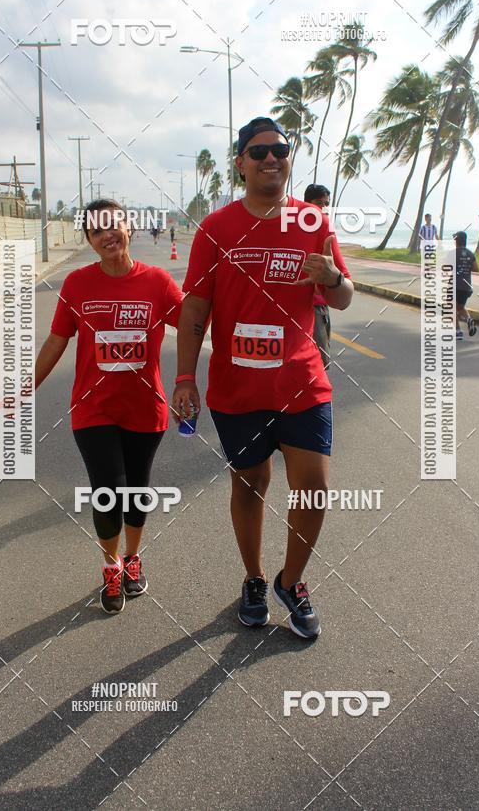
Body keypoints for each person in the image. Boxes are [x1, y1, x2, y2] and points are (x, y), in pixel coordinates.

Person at [172, 117, 353, 639]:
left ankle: (290, 582)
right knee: (251, 486)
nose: (271, 158)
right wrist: (185, 377)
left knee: (313, 491)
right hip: (237, 391)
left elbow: (342, 296)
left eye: (280, 148)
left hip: (302, 382)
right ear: (241, 163)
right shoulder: (216, 228)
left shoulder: (313, 222)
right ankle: (253, 579)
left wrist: (333, 278)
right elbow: (195, 310)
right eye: (258, 152)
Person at [0, 198, 183, 614]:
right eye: (96, 231)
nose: (107, 235)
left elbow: (197, 325)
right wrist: (25, 389)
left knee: (137, 492)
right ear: (90, 241)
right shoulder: (77, 284)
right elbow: (57, 340)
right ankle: (111, 566)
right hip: (93, 410)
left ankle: (132, 558)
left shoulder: (158, 283)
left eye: (113, 225)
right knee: (107, 490)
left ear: (128, 226)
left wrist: (191, 379)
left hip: (147, 408)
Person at [304, 184, 332, 370]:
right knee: (316, 361)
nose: (322, 209)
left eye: (325, 204)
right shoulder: (292, 230)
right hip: (306, 306)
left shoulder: (324, 230)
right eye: (318, 203)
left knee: (321, 359)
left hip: (322, 305)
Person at [453, 230, 478, 340]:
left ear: (457, 240)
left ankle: (458, 331)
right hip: (466, 287)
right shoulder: (470, 253)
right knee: (461, 307)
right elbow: (476, 269)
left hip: (455, 285)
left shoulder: (453, 253)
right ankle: (469, 320)